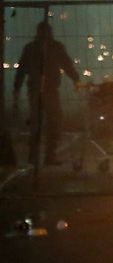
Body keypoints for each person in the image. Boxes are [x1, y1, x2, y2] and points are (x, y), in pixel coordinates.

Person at [13, 21, 81, 166]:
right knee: (53, 122)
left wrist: (17, 88)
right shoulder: (55, 47)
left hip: (36, 90)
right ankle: (48, 155)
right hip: (48, 90)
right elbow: (67, 65)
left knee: (38, 124)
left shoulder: (31, 48)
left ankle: (35, 156)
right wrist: (76, 79)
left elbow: (21, 70)